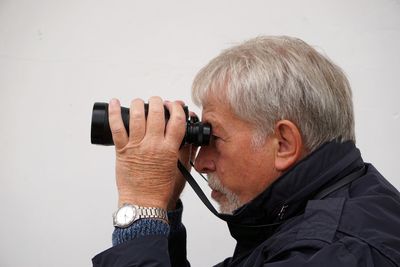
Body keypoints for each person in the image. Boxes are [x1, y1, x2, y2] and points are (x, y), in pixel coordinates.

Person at [92, 36, 400, 266]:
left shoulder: (335, 252)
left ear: (283, 144)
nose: (200, 163)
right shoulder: (307, 212)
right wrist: (165, 213)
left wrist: (141, 210)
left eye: (213, 138)